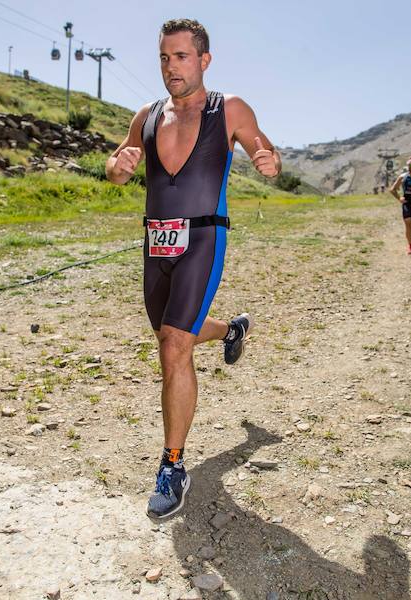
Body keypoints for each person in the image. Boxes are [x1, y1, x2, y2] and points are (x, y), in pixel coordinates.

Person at [105, 19, 281, 519]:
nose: (171, 67)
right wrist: (117, 168)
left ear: (204, 60)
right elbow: (118, 167)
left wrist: (270, 162)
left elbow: (268, 152)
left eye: (181, 57)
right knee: (169, 333)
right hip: (155, 240)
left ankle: (173, 464)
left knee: (174, 345)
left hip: (203, 236)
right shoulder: (147, 114)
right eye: (164, 57)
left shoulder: (230, 109)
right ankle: (231, 329)